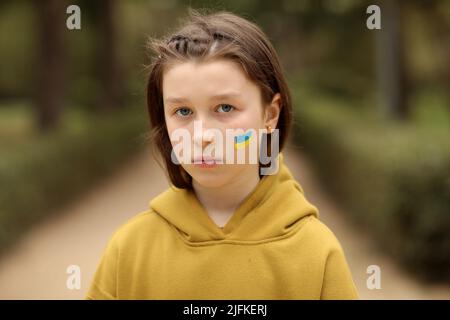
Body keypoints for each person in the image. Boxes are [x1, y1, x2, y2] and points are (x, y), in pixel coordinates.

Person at [86, 9, 358, 300]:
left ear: (270, 113)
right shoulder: (129, 250)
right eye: (183, 112)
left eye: (225, 108)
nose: (203, 136)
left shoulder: (316, 252)